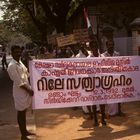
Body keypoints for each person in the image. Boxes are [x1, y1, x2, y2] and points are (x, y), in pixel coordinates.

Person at [7, 45, 34, 140]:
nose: (18, 54)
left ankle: (25, 131)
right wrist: (29, 90)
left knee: (24, 112)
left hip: (25, 89)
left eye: (19, 52)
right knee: (20, 112)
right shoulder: (12, 66)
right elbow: (18, 82)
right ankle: (23, 135)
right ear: (12, 53)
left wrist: (32, 64)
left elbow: (27, 74)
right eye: (16, 52)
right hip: (20, 91)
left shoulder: (20, 62)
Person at [101, 40, 124, 117]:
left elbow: (121, 65)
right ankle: (110, 113)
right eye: (109, 45)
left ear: (114, 45)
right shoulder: (102, 56)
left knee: (118, 95)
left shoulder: (117, 54)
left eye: (112, 44)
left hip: (117, 78)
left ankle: (119, 111)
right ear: (106, 46)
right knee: (109, 96)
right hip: (107, 79)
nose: (111, 46)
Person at [87, 40, 106, 126]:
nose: (95, 47)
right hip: (93, 83)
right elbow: (87, 72)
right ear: (90, 48)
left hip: (102, 82)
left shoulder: (102, 57)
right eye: (93, 46)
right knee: (94, 102)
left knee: (102, 102)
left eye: (96, 45)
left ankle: (102, 118)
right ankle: (95, 119)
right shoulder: (88, 59)